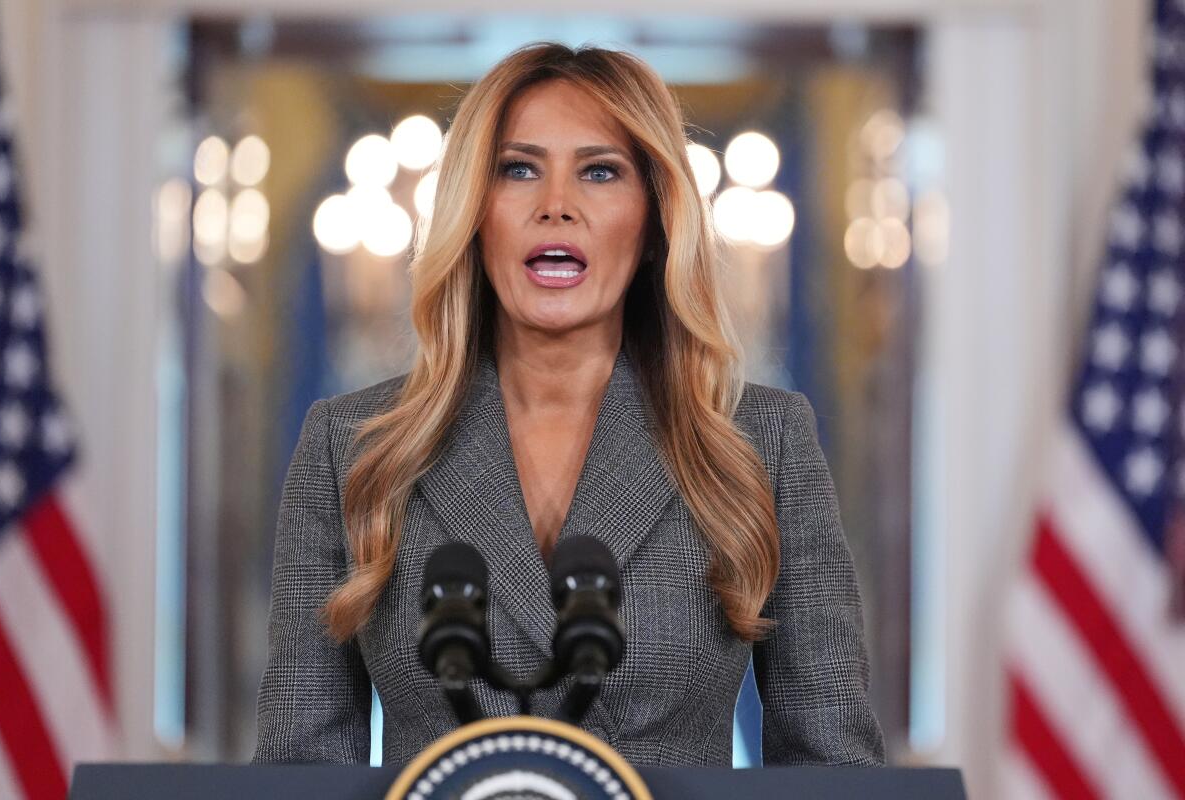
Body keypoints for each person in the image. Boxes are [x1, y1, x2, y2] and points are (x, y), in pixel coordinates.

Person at [253, 41, 885, 768]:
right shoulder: (351, 448)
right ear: (473, 212)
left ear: (653, 220)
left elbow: (830, 771)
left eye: (600, 171)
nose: (557, 206)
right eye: (518, 170)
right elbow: (300, 773)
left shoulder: (761, 443)